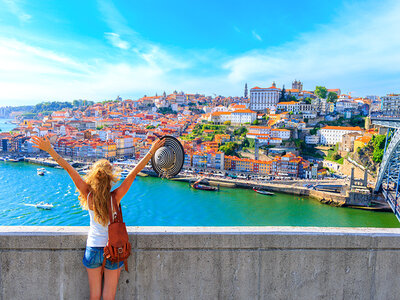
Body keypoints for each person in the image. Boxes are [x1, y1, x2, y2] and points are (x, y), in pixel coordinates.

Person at [32, 135, 165, 300]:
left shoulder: (88, 195)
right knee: (108, 297)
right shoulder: (115, 197)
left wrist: (49, 149)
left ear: (94, 176)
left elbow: (68, 168)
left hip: (93, 249)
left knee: (94, 297)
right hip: (113, 250)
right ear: (110, 178)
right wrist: (152, 151)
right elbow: (134, 173)